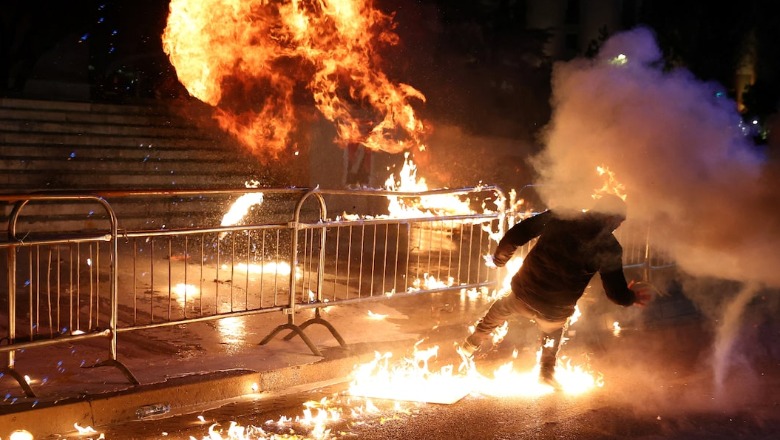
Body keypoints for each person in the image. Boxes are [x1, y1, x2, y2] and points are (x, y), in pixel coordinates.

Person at [460, 194, 652, 389]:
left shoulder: (563, 215)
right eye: (619, 221)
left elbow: (519, 233)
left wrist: (500, 259)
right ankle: (546, 372)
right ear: (610, 217)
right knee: (553, 331)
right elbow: (616, 293)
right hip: (555, 310)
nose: (618, 226)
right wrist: (630, 297)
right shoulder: (609, 247)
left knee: (501, 307)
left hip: (523, 293)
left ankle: (471, 344)